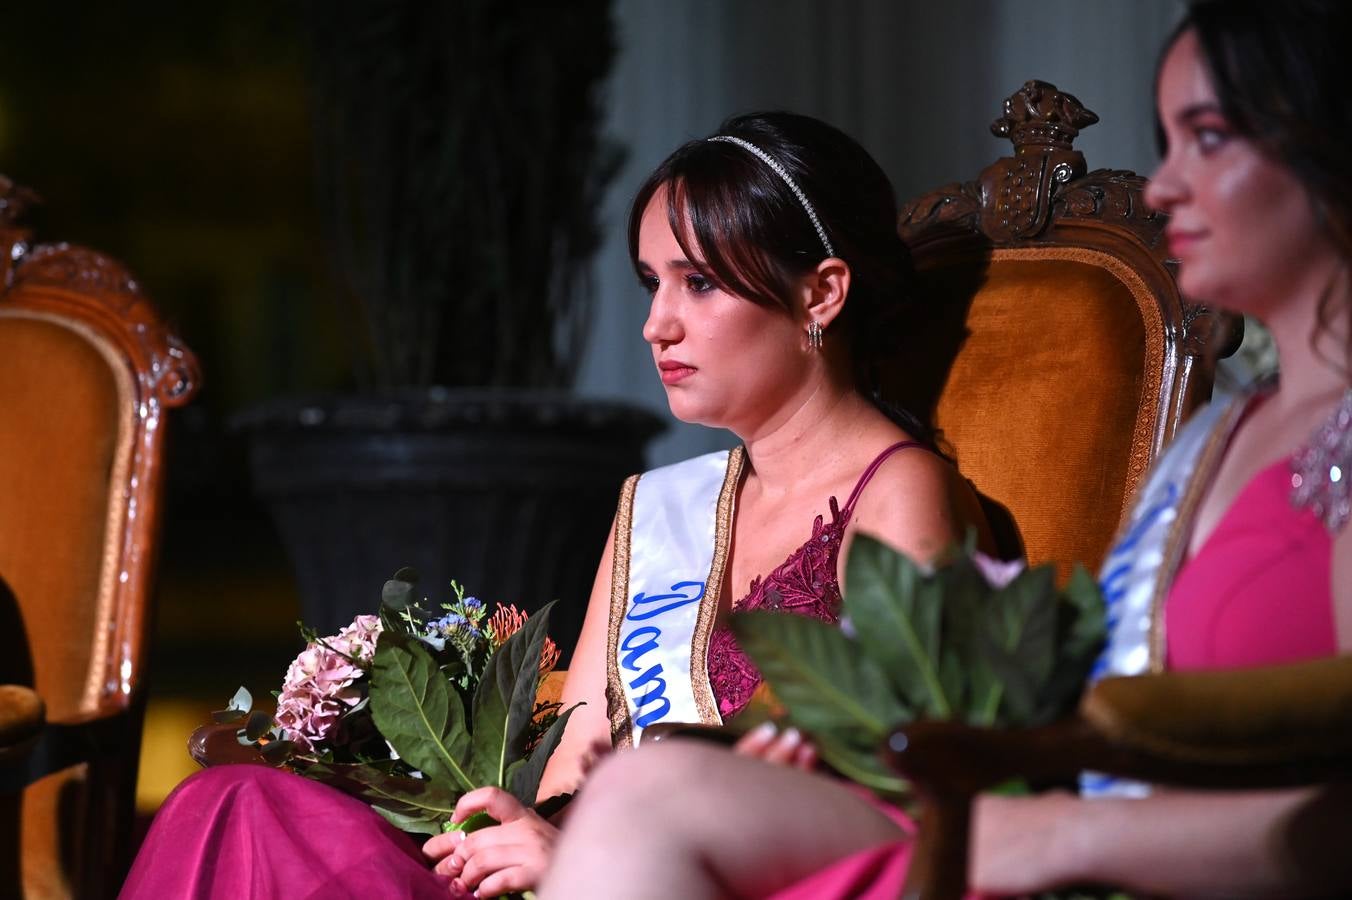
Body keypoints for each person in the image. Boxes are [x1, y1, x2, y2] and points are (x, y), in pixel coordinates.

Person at [538, 2, 1352, 897]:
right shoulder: (1222, 441)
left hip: (943, 835)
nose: (1163, 188)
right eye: (655, 284)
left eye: (1207, 136)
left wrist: (1054, 829)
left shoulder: (901, 492)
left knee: (645, 798)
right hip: (989, 829)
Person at [120, 111, 993, 899]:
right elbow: (571, 761)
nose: (658, 324)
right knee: (234, 802)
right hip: (585, 873)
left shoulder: (899, 493)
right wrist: (526, 831)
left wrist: (585, 854)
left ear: (821, 293)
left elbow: (891, 798)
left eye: (699, 283)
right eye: (651, 283)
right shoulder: (658, 505)